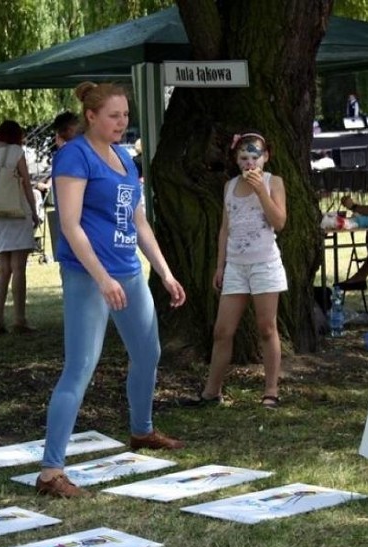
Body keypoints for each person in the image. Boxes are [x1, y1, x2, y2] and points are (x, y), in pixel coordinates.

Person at [36, 82, 187, 498]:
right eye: (114, 116)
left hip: (129, 272)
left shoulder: (123, 157)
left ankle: (142, 431)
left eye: (125, 115)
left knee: (148, 353)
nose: (122, 123)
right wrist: (102, 278)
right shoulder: (74, 155)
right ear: (91, 116)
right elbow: (69, 224)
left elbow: (138, 222)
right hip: (88, 276)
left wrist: (165, 272)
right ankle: (50, 472)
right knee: (80, 367)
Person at [181, 132, 287, 409]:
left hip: (264, 263)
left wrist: (261, 191)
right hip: (236, 266)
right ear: (235, 159)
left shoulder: (272, 182)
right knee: (222, 330)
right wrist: (220, 265)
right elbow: (225, 229)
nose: (250, 163)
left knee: (266, 327)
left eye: (255, 157)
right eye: (244, 158)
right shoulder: (229, 186)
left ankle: (271, 390)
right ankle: (211, 391)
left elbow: (279, 221)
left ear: (266, 157)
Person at [0, 120, 41, 336]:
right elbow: (26, 183)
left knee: (3, 268)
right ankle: (19, 318)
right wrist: (34, 212)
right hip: (18, 211)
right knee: (19, 268)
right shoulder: (16, 152)